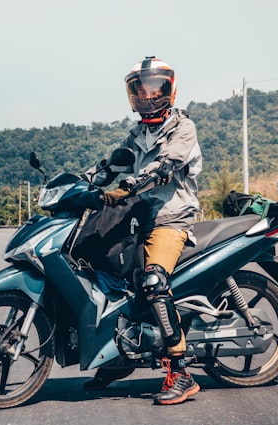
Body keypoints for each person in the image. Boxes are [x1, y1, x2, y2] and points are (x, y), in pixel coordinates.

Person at [83, 56, 202, 405]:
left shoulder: (182, 129)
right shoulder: (139, 133)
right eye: (140, 89)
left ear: (170, 89)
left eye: (155, 88)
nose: (148, 96)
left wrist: (129, 186)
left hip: (171, 219)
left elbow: (164, 167)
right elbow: (110, 166)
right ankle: (120, 355)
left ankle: (180, 371)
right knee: (102, 268)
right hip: (139, 218)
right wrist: (81, 183)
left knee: (152, 281)